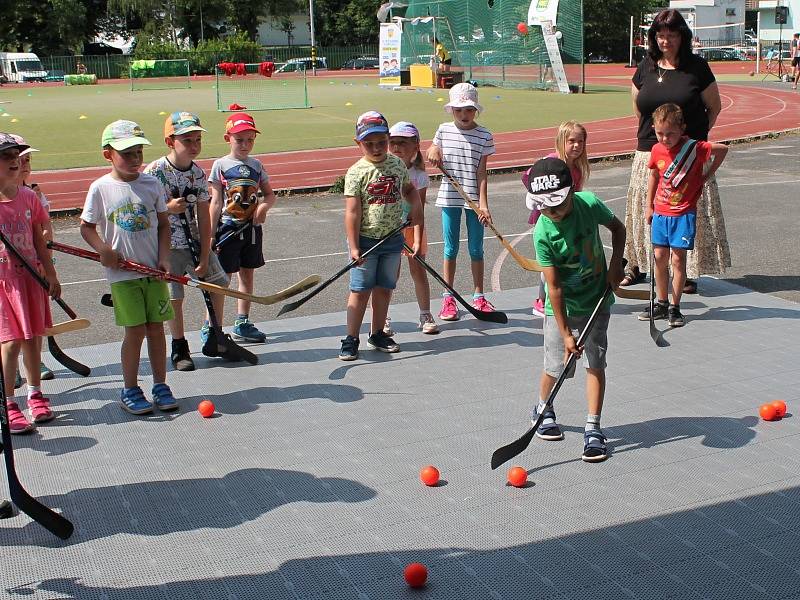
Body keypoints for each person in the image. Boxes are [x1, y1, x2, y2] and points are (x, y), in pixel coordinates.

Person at [524, 157, 626, 463]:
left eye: (556, 205)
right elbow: (553, 287)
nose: (551, 213)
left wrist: (615, 265)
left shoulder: (589, 204)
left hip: (597, 298)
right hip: (564, 308)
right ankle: (543, 407)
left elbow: (618, 229)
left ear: (572, 192)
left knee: (595, 362)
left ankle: (593, 427)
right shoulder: (542, 233)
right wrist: (566, 332)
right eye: (544, 207)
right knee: (557, 367)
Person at [623, 8, 728, 295]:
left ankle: (687, 273)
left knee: (683, 212)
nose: (665, 41)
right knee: (647, 212)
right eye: (660, 35)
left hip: (688, 157)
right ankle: (639, 266)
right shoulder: (646, 66)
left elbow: (714, 108)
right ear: (653, 37)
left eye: (671, 35)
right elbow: (638, 108)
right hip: (649, 152)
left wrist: (693, 142)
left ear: (683, 36)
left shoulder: (697, 68)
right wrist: (656, 138)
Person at [80, 120, 178, 415]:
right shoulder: (100, 188)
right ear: (107, 154)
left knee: (157, 329)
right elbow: (86, 227)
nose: (135, 159)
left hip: (153, 273)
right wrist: (104, 250)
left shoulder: (152, 184)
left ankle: (160, 385)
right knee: (135, 331)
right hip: (123, 277)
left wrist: (164, 257)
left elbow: (163, 225)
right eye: (127, 154)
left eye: (138, 152)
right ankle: (130, 388)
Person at [143, 112, 229, 371]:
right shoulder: (155, 172)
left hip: (193, 241)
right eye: (187, 140)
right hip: (168, 245)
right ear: (170, 142)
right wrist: (168, 208)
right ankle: (179, 346)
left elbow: (203, 215)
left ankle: (215, 333)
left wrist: (205, 252)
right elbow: (144, 211)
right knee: (175, 296)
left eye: (197, 140)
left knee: (219, 284)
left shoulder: (198, 174)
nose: (194, 146)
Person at [339, 111, 422, 361]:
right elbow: (352, 212)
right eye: (368, 144)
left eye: (381, 142)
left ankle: (377, 333)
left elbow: (409, 191)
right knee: (360, 290)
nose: (376, 148)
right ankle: (351, 338)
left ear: (388, 138)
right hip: (365, 241)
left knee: (385, 288)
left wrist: (416, 212)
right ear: (358, 143)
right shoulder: (356, 172)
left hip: (392, 239)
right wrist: (354, 247)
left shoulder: (397, 165)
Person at [638, 103, 728, 327]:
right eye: (659, 133)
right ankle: (660, 302)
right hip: (660, 212)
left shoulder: (694, 148)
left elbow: (723, 149)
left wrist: (707, 174)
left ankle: (675, 307)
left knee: (678, 260)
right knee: (659, 257)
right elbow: (653, 177)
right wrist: (649, 206)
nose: (664, 139)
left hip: (683, 214)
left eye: (670, 134)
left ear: (682, 129)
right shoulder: (657, 150)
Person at [0, 132, 61, 433]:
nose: (14, 161)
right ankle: (8, 403)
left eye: (16, 156)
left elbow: (38, 238)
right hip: (3, 284)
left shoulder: (29, 197)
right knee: (9, 342)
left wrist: (50, 273)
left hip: (30, 279)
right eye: (6, 157)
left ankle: (35, 394)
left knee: (32, 339)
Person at [426, 82, 495, 322]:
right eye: (458, 110)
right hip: (449, 198)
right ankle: (449, 297)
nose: (463, 115)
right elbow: (432, 149)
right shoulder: (444, 130)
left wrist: (483, 205)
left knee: (476, 249)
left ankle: (479, 296)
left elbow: (482, 173)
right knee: (450, 248)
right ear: (452, 111)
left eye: (468, 110)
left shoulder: (484, 135)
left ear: (475, 110)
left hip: (474, 200)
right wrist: (433, 150)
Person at [208, 112, 276, 344]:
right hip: (228, 229)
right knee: (222, 279)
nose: (245, 145)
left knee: (247, 275)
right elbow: (215, 202)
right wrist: (210, 233)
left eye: (250, 140)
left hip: (252, 231)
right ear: (228, 138)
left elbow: (269, 195)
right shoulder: (221, 165)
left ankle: (242, 321)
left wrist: (263, 209)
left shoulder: (256, 165)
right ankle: (212, 325)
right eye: (240, 140)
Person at [526, 121, 590, 317]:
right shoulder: (551, 161)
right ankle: (541, 300)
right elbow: (528, 177)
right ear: (561, 141)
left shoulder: (577, 170)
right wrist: (543, 203)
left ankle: (563, 296)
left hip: (567, 222)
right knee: (548, 263)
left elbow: (575, 198)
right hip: (547, 221)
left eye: (581, 141)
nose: (577, 145)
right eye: (572, 141)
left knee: (563, 261)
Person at [387, 120, 438, 335]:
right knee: (390, 275)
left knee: (419, 271)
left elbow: (419, 211)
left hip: (412, 229)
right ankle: (383, 317)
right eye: (393, 143)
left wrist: (415, 237)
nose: (397, 147)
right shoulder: (386, 170)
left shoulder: (419, 176)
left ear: (415, 146)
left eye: (403, 143)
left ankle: (425, 313)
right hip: (388, 231)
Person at [11, 134, 55, 383]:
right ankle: (14, 368)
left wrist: (47, 261)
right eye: (21, 159)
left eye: (29, 159)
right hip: (10, 272)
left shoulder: (34, 193)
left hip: (35, 267)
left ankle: (34, 362)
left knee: (34, 323)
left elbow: (46, 229)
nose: (26, 164)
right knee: (12, 327)